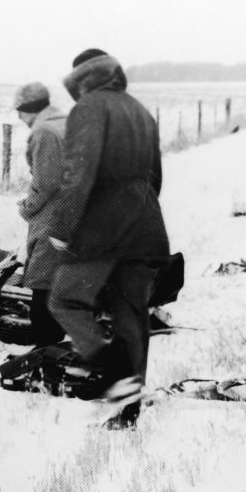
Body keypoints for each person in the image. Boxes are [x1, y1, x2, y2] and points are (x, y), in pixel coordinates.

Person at [48, 48, 169, 429]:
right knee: (132, 316)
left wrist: (62, 228)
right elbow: (157, 178)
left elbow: (78, 173)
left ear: (82, 79)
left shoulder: (88, 108)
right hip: (145, 223)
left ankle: (115, 372)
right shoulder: (140, 111)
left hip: (102, 225)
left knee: (64, 299)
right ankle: (128, 408)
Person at [12, 81, 68, 346]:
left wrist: (27, 207)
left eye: (20, 111)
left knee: (43, 285)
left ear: (29, 109)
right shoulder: (65, 122)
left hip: (55, 215)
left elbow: (47, 182)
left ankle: (46, 353)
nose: (19, 117)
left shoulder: (44, 132)